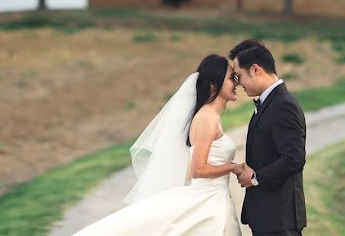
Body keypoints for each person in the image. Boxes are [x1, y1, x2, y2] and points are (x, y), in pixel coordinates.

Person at [72, 54, 242, 235]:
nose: (237, 83)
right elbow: (198, 169)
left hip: (212, 197)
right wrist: (234, 167)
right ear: (214, 84)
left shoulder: (210, 117)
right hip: (209, 201)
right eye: (232, 78)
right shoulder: (207, 118)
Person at [229, 40, 306, 236]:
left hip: (279, 219)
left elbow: (294, 159)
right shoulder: (270, 102)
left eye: (239, 76)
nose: (238, 84)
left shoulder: (283, 105)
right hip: (268, 217)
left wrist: (255, 178)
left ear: (255, 69)